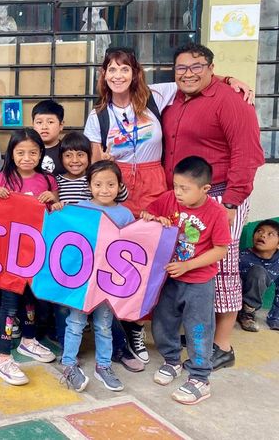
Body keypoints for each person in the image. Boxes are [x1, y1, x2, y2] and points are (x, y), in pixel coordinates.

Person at [84, 46, 252, 364]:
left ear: (135, 73)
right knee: (124, 261)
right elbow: (96, 166)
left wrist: (231, 78)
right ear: (103, 75)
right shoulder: (98, 116)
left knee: (158, 260)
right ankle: (131, 329)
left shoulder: (157, 96)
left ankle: (158, 326)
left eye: (125, 69)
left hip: (157, 186)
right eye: (112, 70)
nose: (118, 75)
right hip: (120, 189)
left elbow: (198, 78)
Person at [161, 43, 264, 370]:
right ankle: (199, 335)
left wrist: (232, 201)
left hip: (220, 197)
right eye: (181, 68)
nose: (188, 73)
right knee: (193, 264)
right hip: (185, 198)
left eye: (196, 67)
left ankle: (222, 345)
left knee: (223, 267)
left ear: (210, 67)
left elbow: (247, 155)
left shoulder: (232, 101)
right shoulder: (173, 97)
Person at [142, 156, 231, 405]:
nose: (178, 193)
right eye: (175, 186)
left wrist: (188, 265)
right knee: (162, 322)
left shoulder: (216, 212)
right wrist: (152, 218)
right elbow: (148, 213)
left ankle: (201, 378)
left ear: (205, 189)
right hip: (169, 278)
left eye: (185, 188)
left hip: (199, 281)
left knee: (198, 328)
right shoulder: (169, 199)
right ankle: (172, 361)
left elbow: (221, 249)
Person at [0, 128, 58, 386]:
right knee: (9, 304)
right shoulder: (3, 178)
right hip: (10, 255)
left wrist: (55, 200)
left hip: (36, 253)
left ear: (41, 153)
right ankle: (3, 357)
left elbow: (55, 213)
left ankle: (28, 341)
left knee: (32, 300)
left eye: (33, 152)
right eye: (20, 152)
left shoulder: (48, 180)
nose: (27, 157)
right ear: (11, 154)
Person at [60, 160, 134, 393]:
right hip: (81, 281)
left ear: (119, 185)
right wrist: (58, 211)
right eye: (98, 184)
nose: (104, 189)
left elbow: (134, 244)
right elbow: (66, 237)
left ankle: (103, 366)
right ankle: (68, 365)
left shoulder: (125, 214)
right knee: (75, 323)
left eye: (111, 184)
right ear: (89, 185)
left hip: (107, 281)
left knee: (104, 325)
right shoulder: (79, 209)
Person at [238, 219, 279, 332]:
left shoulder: (278, 261)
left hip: (252, 303)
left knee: (259, 272)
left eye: (270, 234)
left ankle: (249, 312)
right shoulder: (242, 256)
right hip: (233, 299)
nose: (263, 235)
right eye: (259, 231)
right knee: (257, 271)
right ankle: (243, 313)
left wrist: (276, 319)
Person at [32, 100, 66, 176]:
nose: (44, 127)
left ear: (61, 125)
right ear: (33, 125)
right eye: (39, 122)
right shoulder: (27, 150)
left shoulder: (67, 151)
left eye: (50, 122)